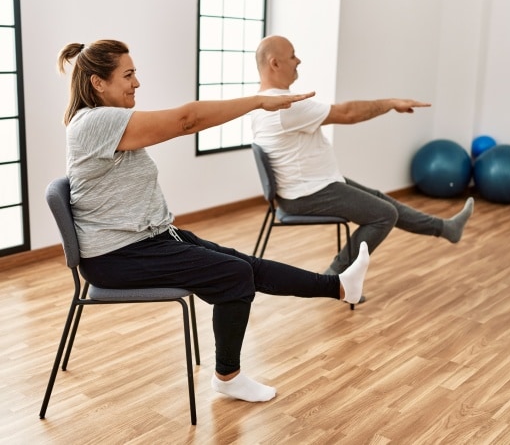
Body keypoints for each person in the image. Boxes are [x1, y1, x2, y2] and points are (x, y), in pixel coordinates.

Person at [58, 39, 370, 403]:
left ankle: (341, 286)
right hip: (116, 257)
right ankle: (228, 377)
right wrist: (258, 100)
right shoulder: (95, 123)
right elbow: (186, 120)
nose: (136, 83)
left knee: (243, 265)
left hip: (147, 240)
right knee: (234, 276)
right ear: (98, 83)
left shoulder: (108, 120)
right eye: (128, 75)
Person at [252, 35, 474, 276]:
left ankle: (445, 228)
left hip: (314, 184)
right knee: (383, 214)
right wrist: (390, 103)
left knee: (382, 201)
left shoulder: (264, 103)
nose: (299, 60)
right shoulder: (285, 106)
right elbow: (347, 114)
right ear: (275, 63)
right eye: (293, 55)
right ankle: (334, 277)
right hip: (308, 192)